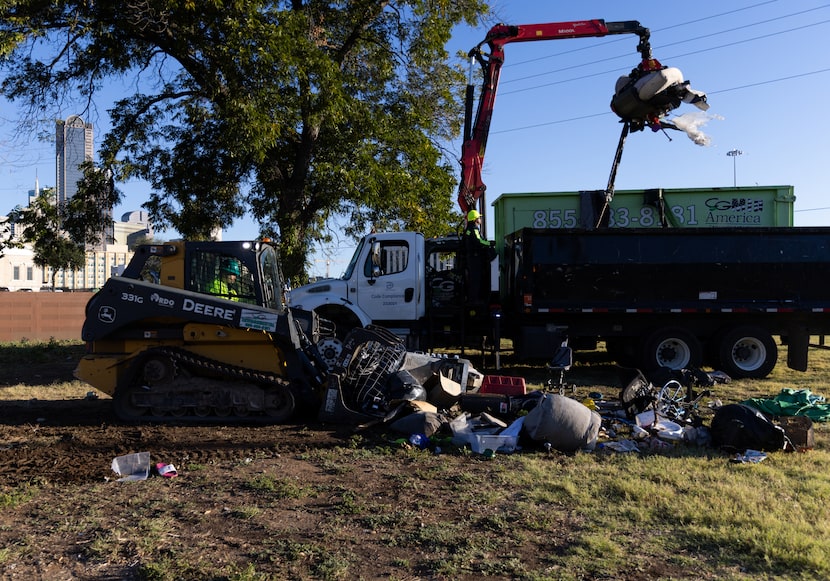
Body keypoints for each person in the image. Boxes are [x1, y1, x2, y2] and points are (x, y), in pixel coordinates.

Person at [463, 209, 495, 304]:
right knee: (476, 279)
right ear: (475, 219)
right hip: (475, 258)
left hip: (472, 257)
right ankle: (475, 300)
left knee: (474, 279)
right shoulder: (473, 229)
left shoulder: (469, 229)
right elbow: (479, 241)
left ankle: (473, 298)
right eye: (479, 217)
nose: (480, 219)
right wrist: (490, 243)